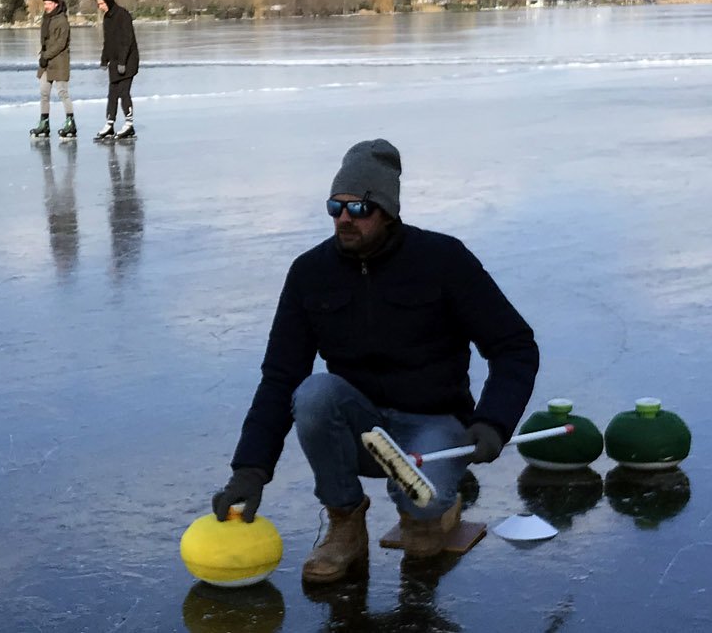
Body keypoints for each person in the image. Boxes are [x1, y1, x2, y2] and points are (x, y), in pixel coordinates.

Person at [211, 139, 540, 583]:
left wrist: (493, 421)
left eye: (359, 208)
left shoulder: (443, 260)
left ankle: (431, 512)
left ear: (387, 210)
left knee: (423, 515)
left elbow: (515, 346)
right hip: (362, 431)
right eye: (335, 206)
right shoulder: (310, 273)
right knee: (313, 394)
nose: (344, 218)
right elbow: (279, 378)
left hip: (435, 424)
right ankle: (345, 522)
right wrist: (249, 469)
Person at [94, 0, 139, 142]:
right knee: (112, 93)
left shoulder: (123, 15)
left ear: (108, 1)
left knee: (123, 92)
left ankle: (129, 123)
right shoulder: (107, 18)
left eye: (101, 3)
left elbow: (127, 40)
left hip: (128, 61)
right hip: (115, 61)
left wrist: (122, 61)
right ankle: (110, 123)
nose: (100, 7)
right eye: (98, 4)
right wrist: (104, 59)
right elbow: (108, 41)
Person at [30, 0, 77, 140]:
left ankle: (71, 122)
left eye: (49, 3)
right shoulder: (46, 18)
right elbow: (45, 40)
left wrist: (46, 55)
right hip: (46, 62)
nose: (46, 6)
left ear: (56, 4)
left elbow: (60, 44)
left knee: (63, 92)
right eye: (45, 4)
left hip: (59, 61)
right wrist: (43, 56)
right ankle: (44, 123)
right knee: (44, 93)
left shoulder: (62, 21)